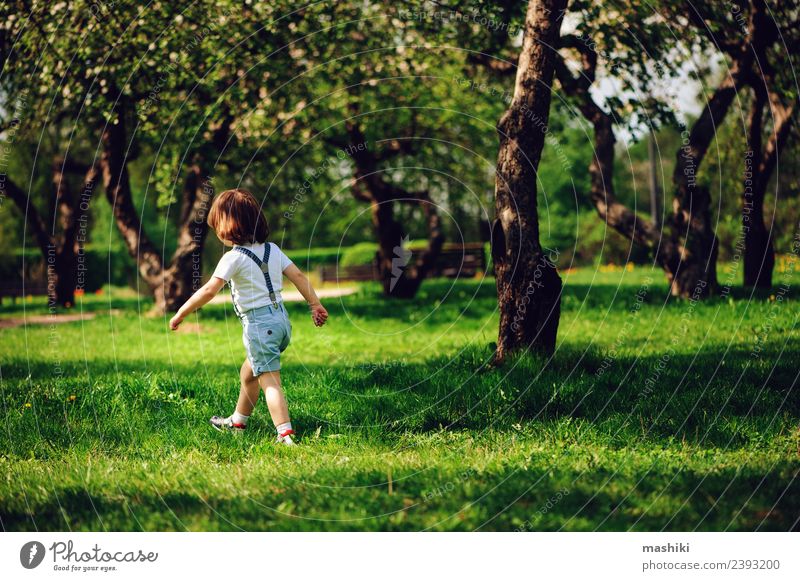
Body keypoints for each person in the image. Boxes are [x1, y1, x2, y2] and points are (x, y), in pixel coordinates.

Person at [169, 188, 328, 445]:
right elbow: (298, 276)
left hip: (259, 326)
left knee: (270, 381)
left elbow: (209, 290)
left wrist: (181, 311)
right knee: (249, 372)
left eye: (217, 224)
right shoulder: (273, 250)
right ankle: (238, 421)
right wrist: (315, 304)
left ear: (227, 226)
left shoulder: (233, 258)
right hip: (281, 323)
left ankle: (285, 433)